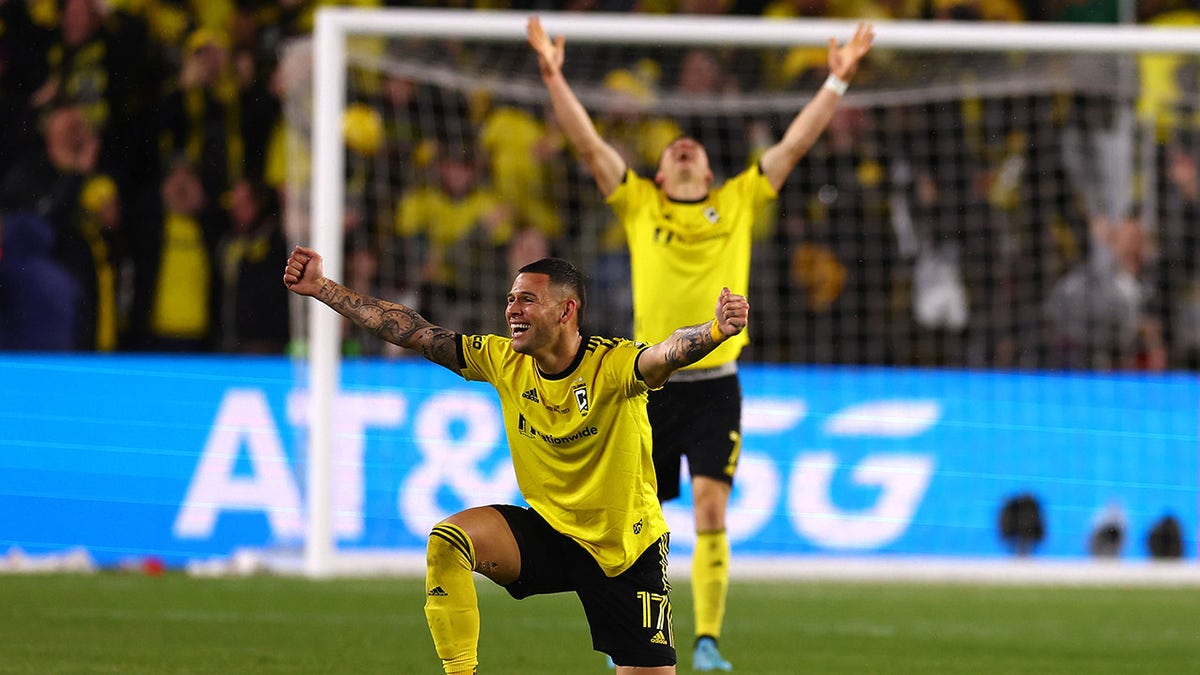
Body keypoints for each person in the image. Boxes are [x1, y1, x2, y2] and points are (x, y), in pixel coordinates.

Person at [528, 15, 874, 671]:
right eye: (671, 150)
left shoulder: (740, 200)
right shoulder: (638, 204)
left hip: (716, 383)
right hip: (648, 382)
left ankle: (708, 640)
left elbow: (794, 146)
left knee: (712, 504)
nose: (682, 148)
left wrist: (836, 79)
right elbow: (588, 143)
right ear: (659, 176)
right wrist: (552, 73)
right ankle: (633, 636)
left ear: (711, 170)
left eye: (693, 148)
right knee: (637, 521)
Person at [283, 245, 750, 675]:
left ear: (567, 310)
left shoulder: (613, 365)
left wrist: (715, 331)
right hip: (548, 531)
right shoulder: (503, 359)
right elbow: (416, 333)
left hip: (622, 548)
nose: (511, 309)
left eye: (526, 300)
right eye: (510, 299)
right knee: (448, 541)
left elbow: (667, 352)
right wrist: (323, 288)